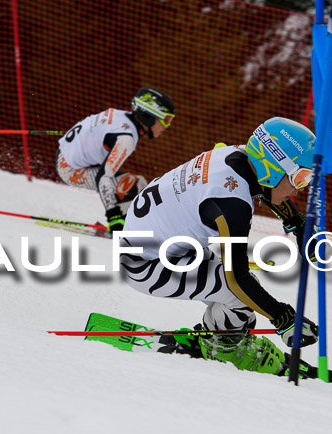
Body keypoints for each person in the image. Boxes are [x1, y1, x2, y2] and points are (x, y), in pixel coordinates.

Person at [119, 117, 318, 376]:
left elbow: (261, 184)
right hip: (146, 266)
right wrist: (284, 319)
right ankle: (222, 349)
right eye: (300, 178)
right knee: (240, 295)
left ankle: (218, 335)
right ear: (273, 167)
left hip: (161, 246)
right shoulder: (231, 204)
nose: (302, 188)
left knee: (239, 293)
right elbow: (237, 279)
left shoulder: (235, 154)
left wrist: (295, 222)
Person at [55, 87, 175, 231]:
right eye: (166, 120)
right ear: (150, 116)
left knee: (134, 184)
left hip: (63, 154)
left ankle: (130, 224)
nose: (167, 126)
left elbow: (92, 126)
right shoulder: (126, 139)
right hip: (70, 170)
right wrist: (113, 216)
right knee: (135, 185)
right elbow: (104, 176)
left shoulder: (120, 115)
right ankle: (123, 228)